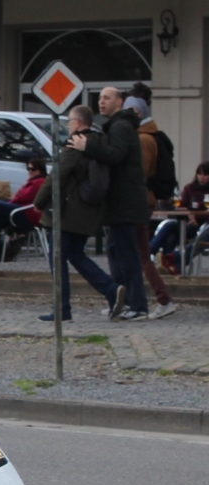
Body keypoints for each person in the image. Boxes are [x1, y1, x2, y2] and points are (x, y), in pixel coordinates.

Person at [34, 104, 126, 322]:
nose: (67, 126)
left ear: (76, 122)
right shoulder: (99, 143)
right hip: (88, 211)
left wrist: (39, 202)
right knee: (76, 255)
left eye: (69, 122)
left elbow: (57, 176)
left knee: (58, 259)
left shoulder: (76, 144)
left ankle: (62, 309)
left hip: (67, 212)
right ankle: (111, 290)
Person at [67, 86, 149, 319]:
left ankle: (137, 305)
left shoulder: (121, 126)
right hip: (117, 202)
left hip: (126, 202)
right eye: (100, 98)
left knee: (126, 255)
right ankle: (120, 299)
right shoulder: (115, 125)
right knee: (115, 252)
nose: (102, 102)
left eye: (107, 98)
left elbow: (115, 155)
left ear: (120, 102)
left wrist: (88, 147)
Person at [125, 94, 177, 320]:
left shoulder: (144, 139)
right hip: (142, 200)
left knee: (141, 254)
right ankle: (135, 300)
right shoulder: (145, 136)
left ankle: (162, 299)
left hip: (140, 201)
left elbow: (140, 173)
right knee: (135, 252)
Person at [151, 161, 209, 275]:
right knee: (169, 226)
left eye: (205, 174)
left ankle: (172, 262)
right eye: (199, 174)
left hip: (205, 227)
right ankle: (149, 252)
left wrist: (195, 215)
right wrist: (189, 215)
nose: (202, 177)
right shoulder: (189, 188)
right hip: (189, 225)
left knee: (171, 237)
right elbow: (181, 206)